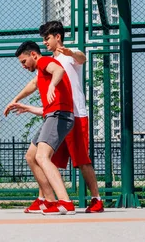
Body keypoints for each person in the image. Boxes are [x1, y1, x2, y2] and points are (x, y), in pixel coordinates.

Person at [4, 40, 76, 215]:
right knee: (31, 156)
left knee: (42, 156)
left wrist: (52, 84)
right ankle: (49, 201)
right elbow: (33, 85)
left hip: (60, 115)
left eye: (24, 61)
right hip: (51, 115)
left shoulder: (44, 62)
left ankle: (66, 202)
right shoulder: (41, 73)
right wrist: (17, 101)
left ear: (34, 55)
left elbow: (58, 70)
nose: (23, 66)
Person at [39, 20, 104, 213]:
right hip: (57, 115)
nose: (45, 42)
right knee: (45, 157)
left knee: (82, 160)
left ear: (57, 37)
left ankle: (96, 199)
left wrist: (72, 53)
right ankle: (46, 200)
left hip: (76, 114)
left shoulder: (69, 55)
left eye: (47, 38)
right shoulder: (48, 60)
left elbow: (82, 58)